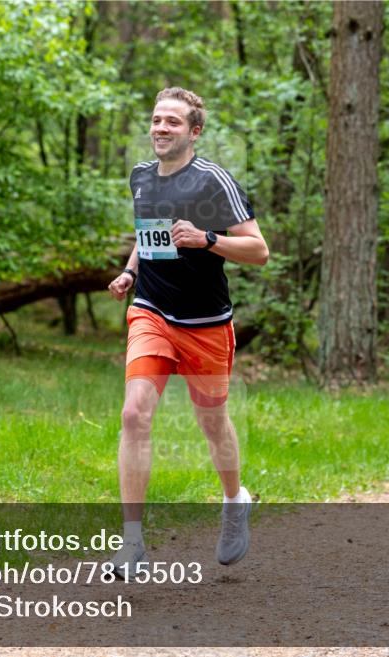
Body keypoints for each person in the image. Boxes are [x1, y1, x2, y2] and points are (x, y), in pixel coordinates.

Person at [107, 87, 269, 578]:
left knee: (212, 423)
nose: (160, 128)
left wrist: (208, 239)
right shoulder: (139, 176)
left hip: (205, 324)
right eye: (156, 119)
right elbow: (146, 235)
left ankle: (233, 501)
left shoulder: (213, 182)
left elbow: (259, 250)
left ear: (194, 131)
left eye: (172, 122)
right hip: (152, 310)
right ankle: (132, 540)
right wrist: (131, 273)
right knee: (134, 413)